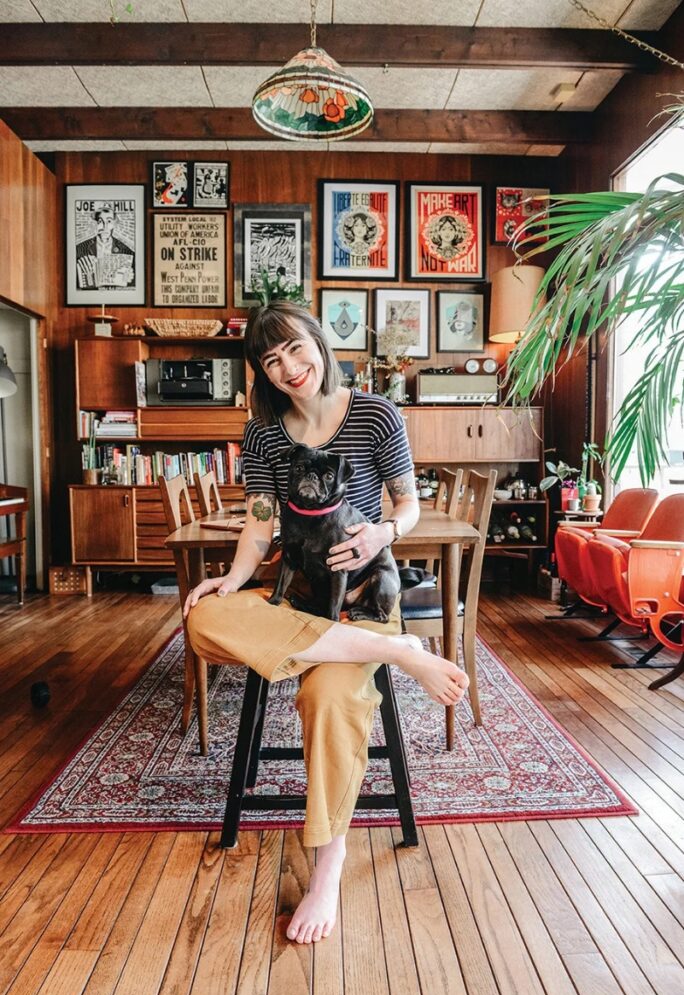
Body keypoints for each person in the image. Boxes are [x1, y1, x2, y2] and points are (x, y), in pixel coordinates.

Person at [185, 301, 470, 945]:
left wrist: (381, 534)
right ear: (262, 373)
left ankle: (329, 861)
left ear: (318, 340)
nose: (288, 367)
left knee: (326, 697)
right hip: (296, 597)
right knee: (202, 617)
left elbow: (409, 504)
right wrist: (232, 580)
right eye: (270, 360)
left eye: (294, 347)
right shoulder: (263, 434)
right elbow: (260, 523)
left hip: (362, 594)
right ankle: (393, 651)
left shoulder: (376, 414)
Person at [75, 204, 135, 290]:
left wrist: (130, 279)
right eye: (100, 221)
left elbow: (135, 284)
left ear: (114, 224)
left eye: (109, 221)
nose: (104, 227)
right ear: (95, 224)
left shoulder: (127, 252)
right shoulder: (79, 249)